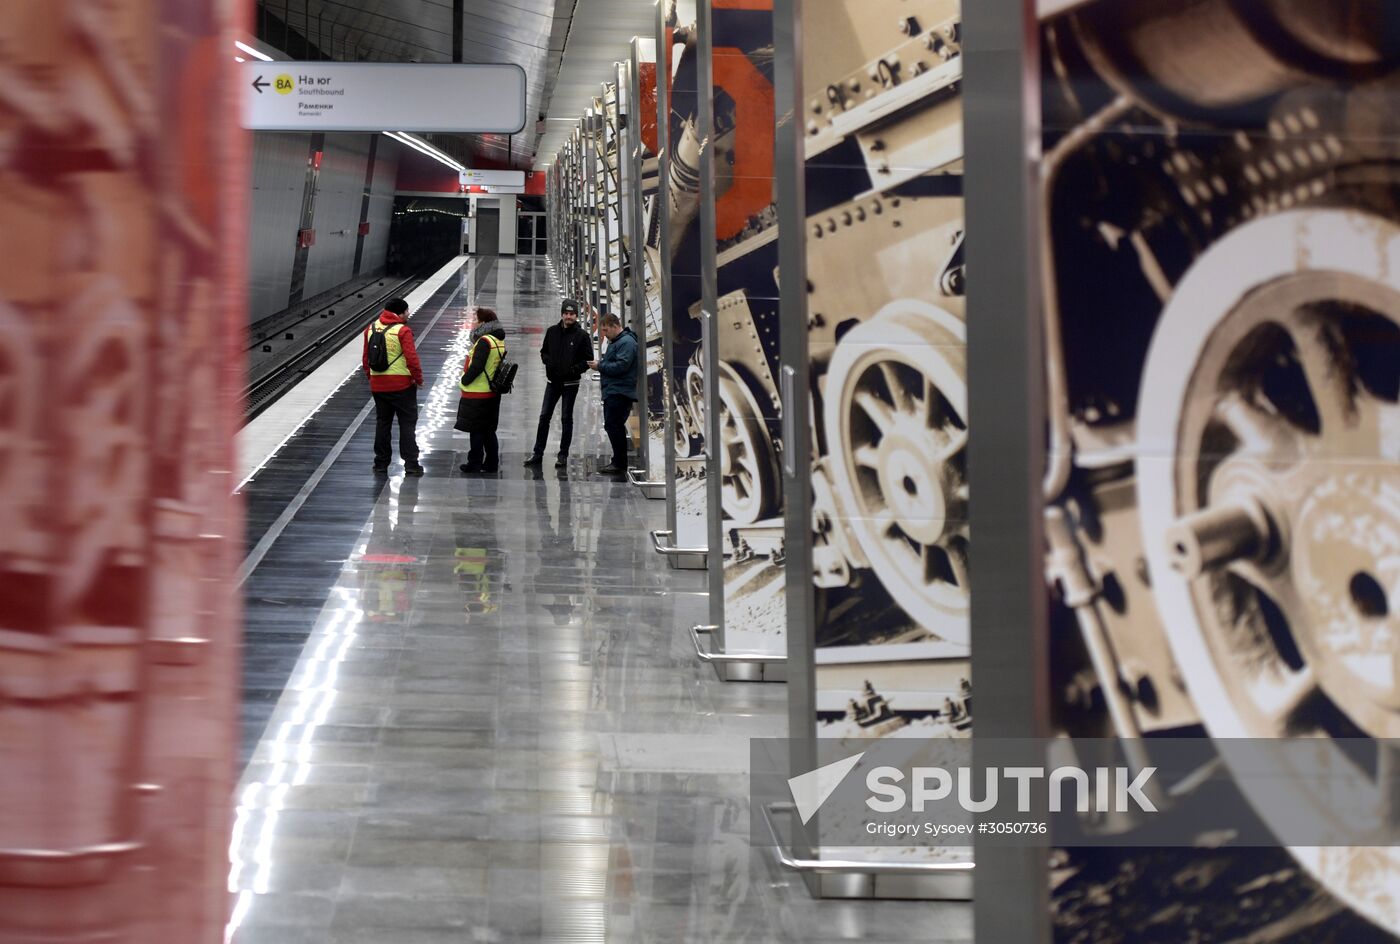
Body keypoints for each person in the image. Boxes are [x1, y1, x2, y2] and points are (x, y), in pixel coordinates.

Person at [524, 298, 594, 469]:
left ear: (576, 316)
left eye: (571, 314)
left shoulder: (582, 336)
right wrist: (548, 362)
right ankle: (538, 453)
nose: (568, 316)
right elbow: (544, 352)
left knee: (566, 418)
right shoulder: (552, 332)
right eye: (566, 313)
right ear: (562, 314)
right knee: (544, 416)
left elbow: (588, 360)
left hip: (570, 384)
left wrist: (573, 370)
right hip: (552, 381)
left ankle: (563, 455)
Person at [362, 297, 424, 476]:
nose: (409, 314)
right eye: (407, 311)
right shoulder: (402, 331)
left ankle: (380, 464)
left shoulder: (371, 329)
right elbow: (412, 359)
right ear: (400, 313)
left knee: (383, 423)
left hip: (378, 386)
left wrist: (372, 379)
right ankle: (411, 465)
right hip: (402, 386)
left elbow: (366, 360)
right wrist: (418, 380)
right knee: (407, 424)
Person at [455, 308, 507, 473]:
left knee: (476, 430)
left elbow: (477, 366)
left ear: (483, 323)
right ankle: (491, 462)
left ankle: (474, 462)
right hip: (491, 391)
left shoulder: (484, 341)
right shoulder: (497, 340)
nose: (473, 322)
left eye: (475, 320)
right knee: (488, 430)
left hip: (478, 392)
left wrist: (464, 379)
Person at [589, 312, 639, 475]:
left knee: (614, 425)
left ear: (615, 326)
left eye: (605, 330)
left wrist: (600, 366)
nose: (604, 334)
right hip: (614, 390)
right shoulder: (619, 341)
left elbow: (621, 366)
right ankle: (618, 461)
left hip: (620, 391)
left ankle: (619, 462)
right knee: (613, 425)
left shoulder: (626, 343)